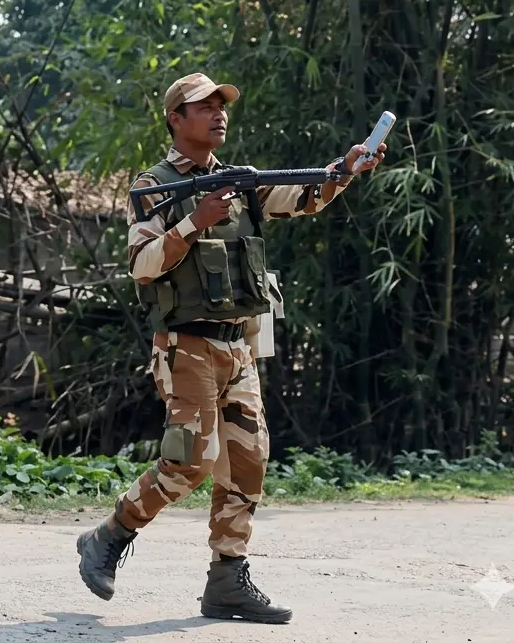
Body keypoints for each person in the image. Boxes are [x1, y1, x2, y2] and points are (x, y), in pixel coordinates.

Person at [75, 73, 387, 623]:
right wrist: (196, 221)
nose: (219, 113)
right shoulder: (154, 186)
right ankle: (110, 535)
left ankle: (227, 580)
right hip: (186, 343)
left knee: (246, 462)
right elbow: (142, 268)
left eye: (222, 105)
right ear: (176, 118)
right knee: (189, 462)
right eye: (204, 106)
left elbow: (302, 196)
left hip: (237, 344)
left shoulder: (242, 182)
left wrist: (344, 171)